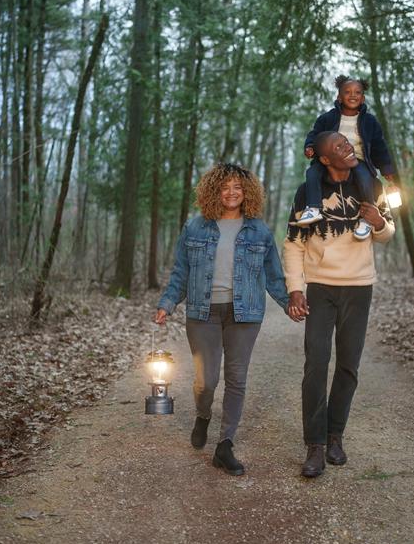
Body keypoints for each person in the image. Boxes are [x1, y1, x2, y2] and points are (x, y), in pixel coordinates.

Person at [155, 162, 301, 477]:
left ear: (247, 192)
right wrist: (168, 302)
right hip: (203, 312)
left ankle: (225, 444)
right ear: (214, 191)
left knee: (237, 378)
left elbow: (274, 276)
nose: (231, 193)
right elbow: (181, 271)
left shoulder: (259, 231)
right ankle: (203, 415)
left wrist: (291, 303)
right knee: (205, 380)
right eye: (225, 187)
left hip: (244, 313)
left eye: (237, 187)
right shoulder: (195, 227)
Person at [284, 131, 395, 478]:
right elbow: (293, 243)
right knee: (315, 364)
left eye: (348, 144)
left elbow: (388, 230)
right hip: (320, 287)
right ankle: (314, 445)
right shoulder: (308, 191)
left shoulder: (371, 185)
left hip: (359, 287)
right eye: (339, 147)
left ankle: (335, 436)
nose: (348, 148)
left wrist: (378, 223)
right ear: (324, 159)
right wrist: (295, 289)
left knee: (348, 366)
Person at [297, 75, 396, 240]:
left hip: (357, 159)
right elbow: (315, 134)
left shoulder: (370, 122)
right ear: (339, 97)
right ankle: (313, 208)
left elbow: (379, 146)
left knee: (365, 178)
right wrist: (310, 147)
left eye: (357, 92)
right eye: (347, 92)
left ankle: (366, 218)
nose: (353, 95)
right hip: (331, 158)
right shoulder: (327, 118)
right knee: (312, 173)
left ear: (363, 98)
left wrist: (386, 168)